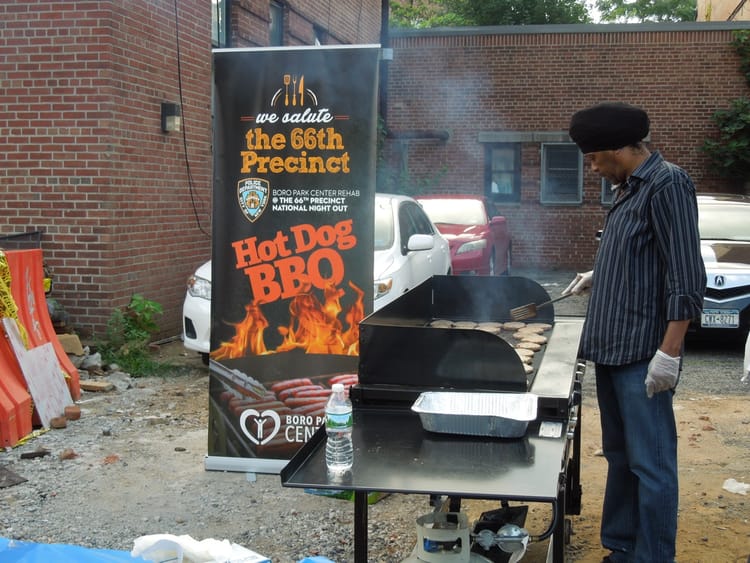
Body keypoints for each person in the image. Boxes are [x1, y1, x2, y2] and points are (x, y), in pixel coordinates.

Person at [564, 102, 706, 563]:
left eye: (593, 158)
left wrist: (669, 352)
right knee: (621, 458)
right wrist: (597, 273)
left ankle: (652, 557)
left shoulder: (668, 184)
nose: (591, 167)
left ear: (617, 149)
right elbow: (640, 258)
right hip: (611, 351)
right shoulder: (628, 189)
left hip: (642, 356)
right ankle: (622, 549)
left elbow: (685, 275)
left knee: (652, 465)